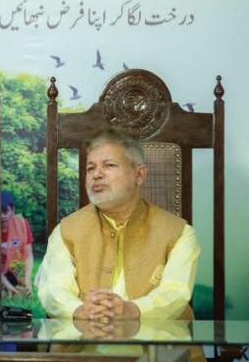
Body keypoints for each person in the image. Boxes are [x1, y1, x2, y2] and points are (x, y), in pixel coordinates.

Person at [37, 128, 200, 322]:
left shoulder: (179, 233)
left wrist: (132, 311)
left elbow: (175, 294)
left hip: (157, 340)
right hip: (84, 338)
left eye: (109, 165)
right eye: (90, 168)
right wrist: (80, 311)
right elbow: (53, 289)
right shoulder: (66, 230)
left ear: (139, 175)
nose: (96, 175)